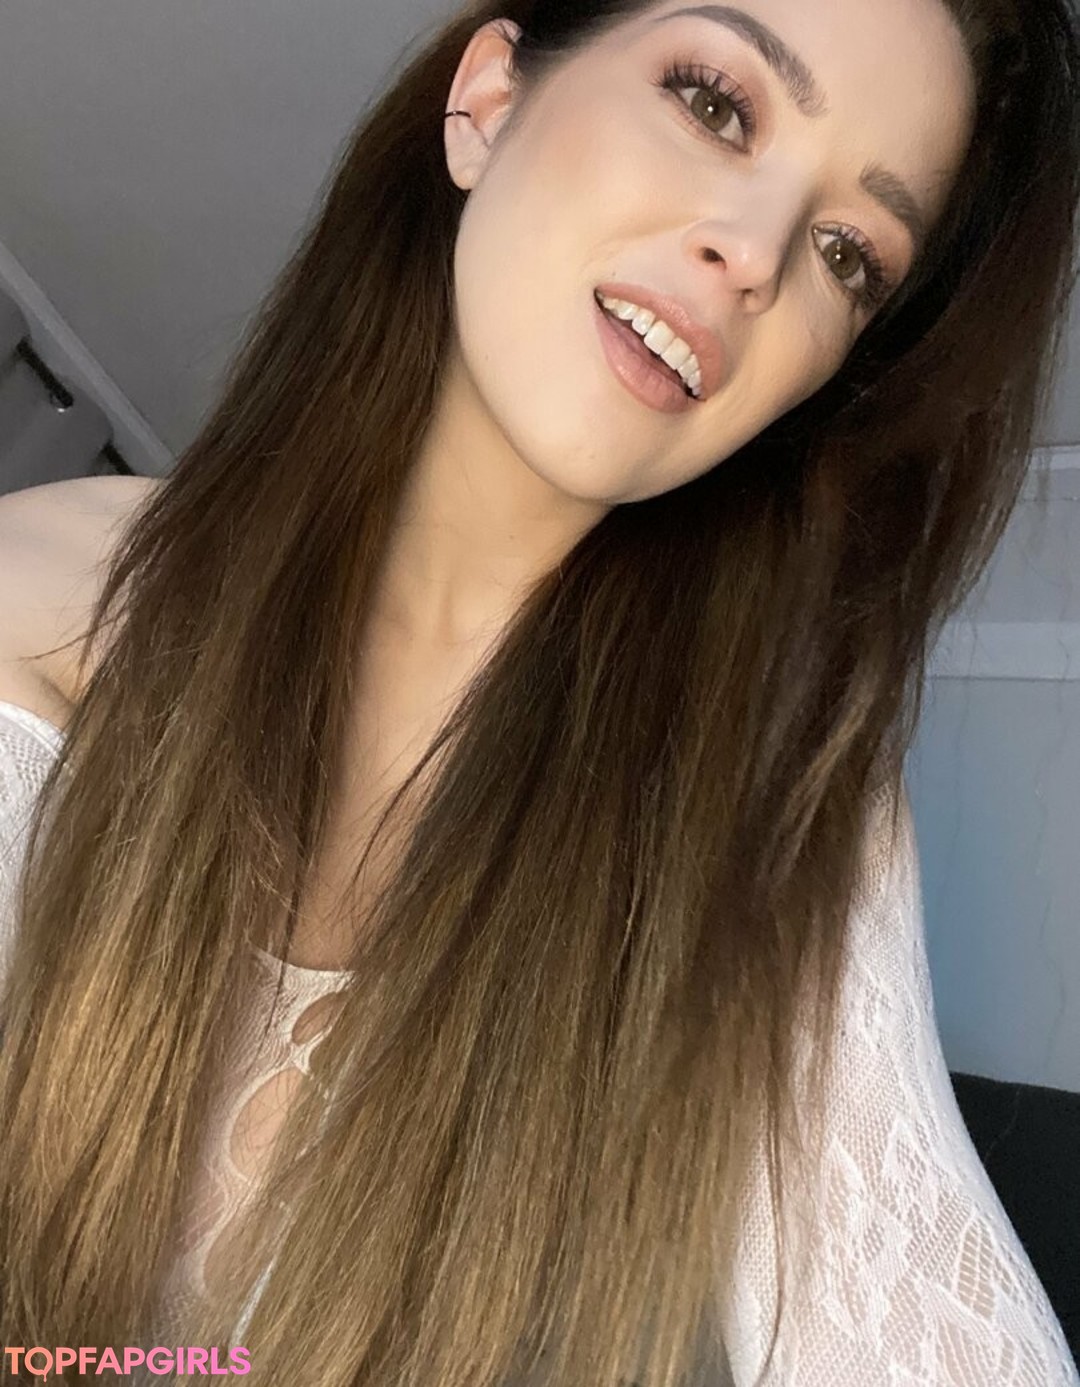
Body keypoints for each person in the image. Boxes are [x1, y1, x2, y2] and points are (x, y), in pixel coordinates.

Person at [0, 0, 1077, 1381]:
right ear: (490, 102)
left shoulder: (777, 803)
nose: (754, 257)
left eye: (846, 254)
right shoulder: (50, 593)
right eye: (717, 102)